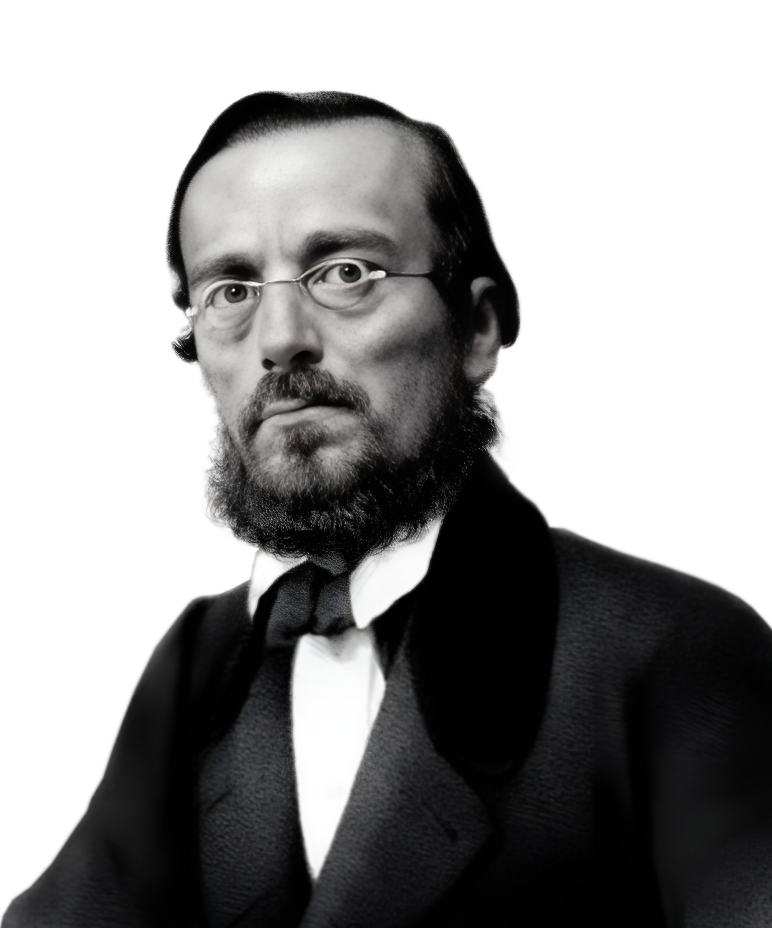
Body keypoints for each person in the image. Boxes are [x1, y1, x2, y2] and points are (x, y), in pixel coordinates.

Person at [3, 86, 772, 928]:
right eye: (231, 291)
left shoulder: (674, 647)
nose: (280, 338)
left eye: (346, 274)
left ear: (478, 327)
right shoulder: (198, 661)